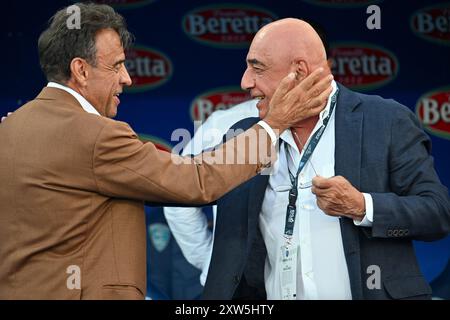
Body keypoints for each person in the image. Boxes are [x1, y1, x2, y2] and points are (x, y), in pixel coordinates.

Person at [0, 5, 333, 299]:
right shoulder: (94, 136)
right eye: (116, 66)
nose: (127, 78)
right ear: (81, 70)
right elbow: (195, 181)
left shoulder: (9, 129)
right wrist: (273, 125)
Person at [202, 18, 450, 300]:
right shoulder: (245, 136)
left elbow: (437, 212)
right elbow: (188, 182)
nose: (245, 82)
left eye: (257, 68)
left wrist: (362, 207)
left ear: (298, 71)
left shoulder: (385, 120)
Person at [164, 22, 333, 288]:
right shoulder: (224, 123)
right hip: (237, 289)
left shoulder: (352, 125)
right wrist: (212, 259)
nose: (247, 81)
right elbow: (177, 196)